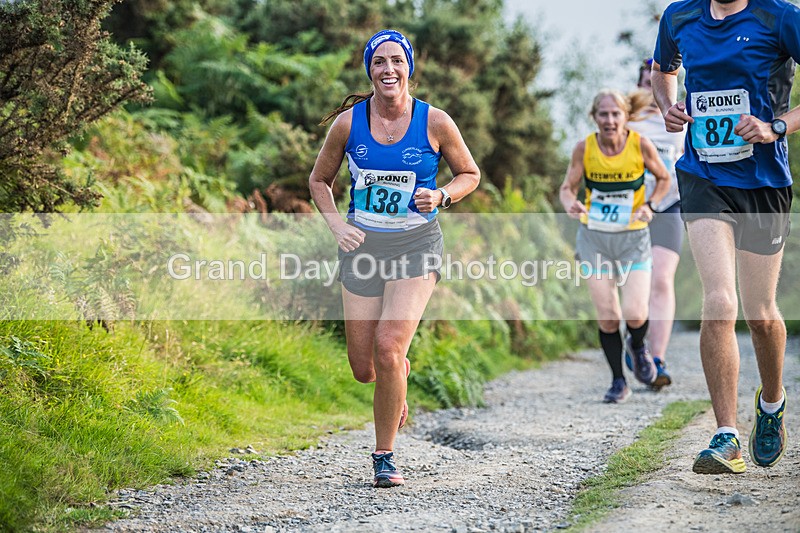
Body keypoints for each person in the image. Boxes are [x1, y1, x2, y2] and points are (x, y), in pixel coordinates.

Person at [308, 29, 480, 488]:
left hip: (416, 246)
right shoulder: (348, 124)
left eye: (397, 61)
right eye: (379, 61)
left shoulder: (435, 121)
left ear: (409, 67)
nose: (389, 69)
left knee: (388, 347)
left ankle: (384, 456)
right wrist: (337, 225)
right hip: (363, 248)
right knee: (365, 368)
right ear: (370, 69)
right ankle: (395, 375)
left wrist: (441, 195)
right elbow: (319, 180)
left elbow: (470, 173)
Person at [652, 0, 800, 474]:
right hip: (703, 175)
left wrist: (775, 126)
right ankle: (726, 435)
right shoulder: (679, 16)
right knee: (719, 299)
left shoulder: (778, 16)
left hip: (763, 180)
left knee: (761, 314)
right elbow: (662, 70)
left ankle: (773, 404)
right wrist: (667, 106)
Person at [560, 89, 671, 404]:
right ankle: (618, 381)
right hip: (594, 237)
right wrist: (571, 204)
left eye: (615, 114)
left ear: (625, 116)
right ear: (594, 118)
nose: (609, 120)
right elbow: (567, 188)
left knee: (636, 312)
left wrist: (651, 205)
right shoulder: (585, 148)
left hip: (633, 238)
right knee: (608, 316)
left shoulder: (640, 144)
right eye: (603, 114)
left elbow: (664, 179)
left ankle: (638, 347)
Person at [627, 59, 687, 390]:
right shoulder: (626, 124)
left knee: (662, 280)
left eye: (663, 82)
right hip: (630, 212)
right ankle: (635, 342)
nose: (653, 89)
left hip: (669, 206)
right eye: (648, 82)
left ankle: (657, 358)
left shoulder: (684, 121)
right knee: (633, 281)